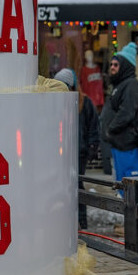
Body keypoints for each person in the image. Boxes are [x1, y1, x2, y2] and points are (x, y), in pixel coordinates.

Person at [54, 68, 100, 229]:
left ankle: (82, 221)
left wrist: (92, 147)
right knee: (62, 187)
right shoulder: (56, 104)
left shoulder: (84, 103)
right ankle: (64, 221)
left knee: (77, 186)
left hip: (79, 152)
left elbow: (94, 127)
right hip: (61, 152)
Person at [99, 42, 138, 188]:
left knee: (130, 189)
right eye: (111, 64)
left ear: (124, 66)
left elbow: (127, 112)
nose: (112, 67)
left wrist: (110, 129)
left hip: (129, 147)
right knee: (121, 186)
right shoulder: (120, 85)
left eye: (116, 65)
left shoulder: (131, 85)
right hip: (119, 145)